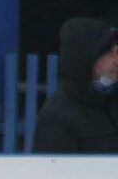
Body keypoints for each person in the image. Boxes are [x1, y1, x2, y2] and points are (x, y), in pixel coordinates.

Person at [34, 18, 118, 153]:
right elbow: (54, 171)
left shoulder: (112, 98)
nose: (116, 61)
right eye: (109, 54)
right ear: (86, 57)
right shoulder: (57, 117)